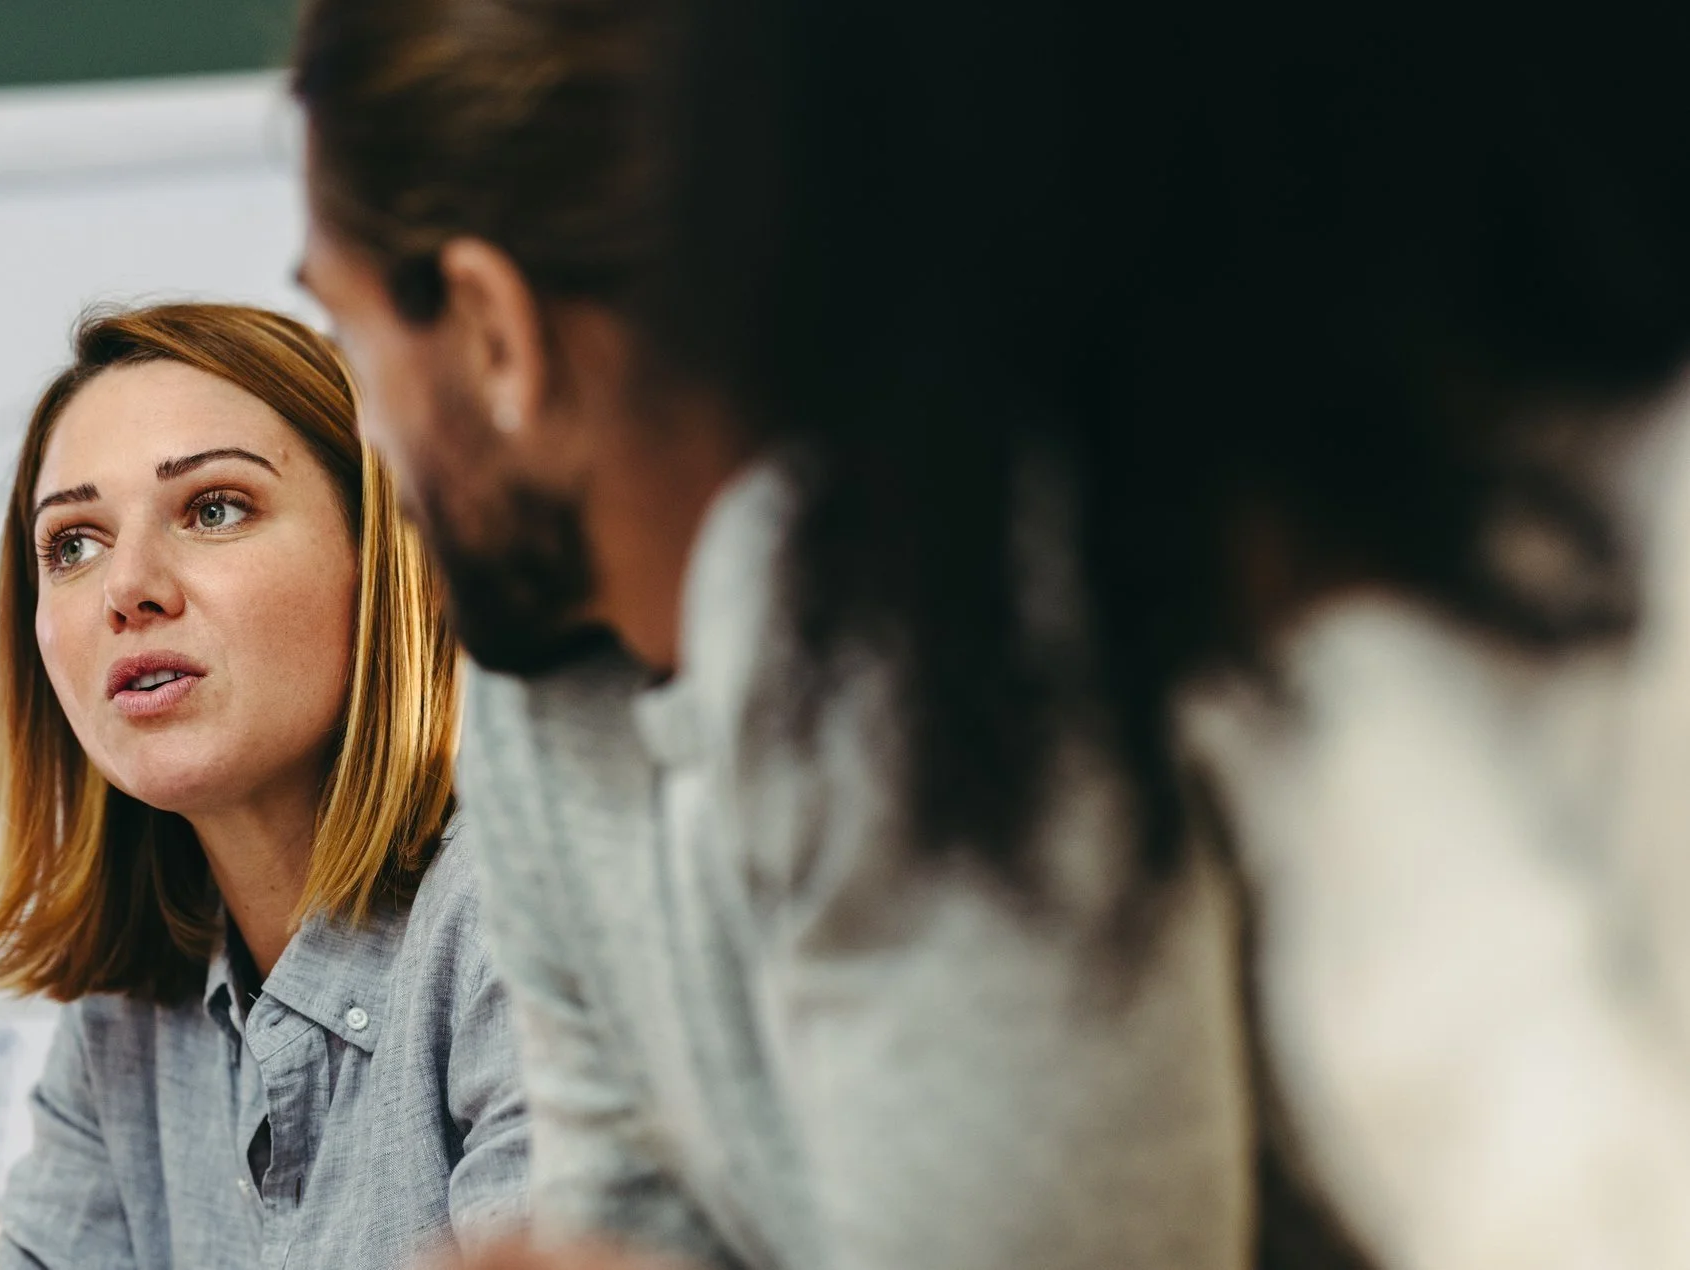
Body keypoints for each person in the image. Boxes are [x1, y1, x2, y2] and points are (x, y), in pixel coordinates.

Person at [290, 3, 1252, 1269]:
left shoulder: (934, 642)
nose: (369, 441)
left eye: (350, 334)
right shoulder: (539, 693)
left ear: (491, 333)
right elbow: (630, 1211)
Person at [0, 303, 530, 1269]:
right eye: (72, 544)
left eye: (214, 509)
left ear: (383, 561)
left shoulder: (531, 921)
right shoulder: (121, 1026)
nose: (129, 585)